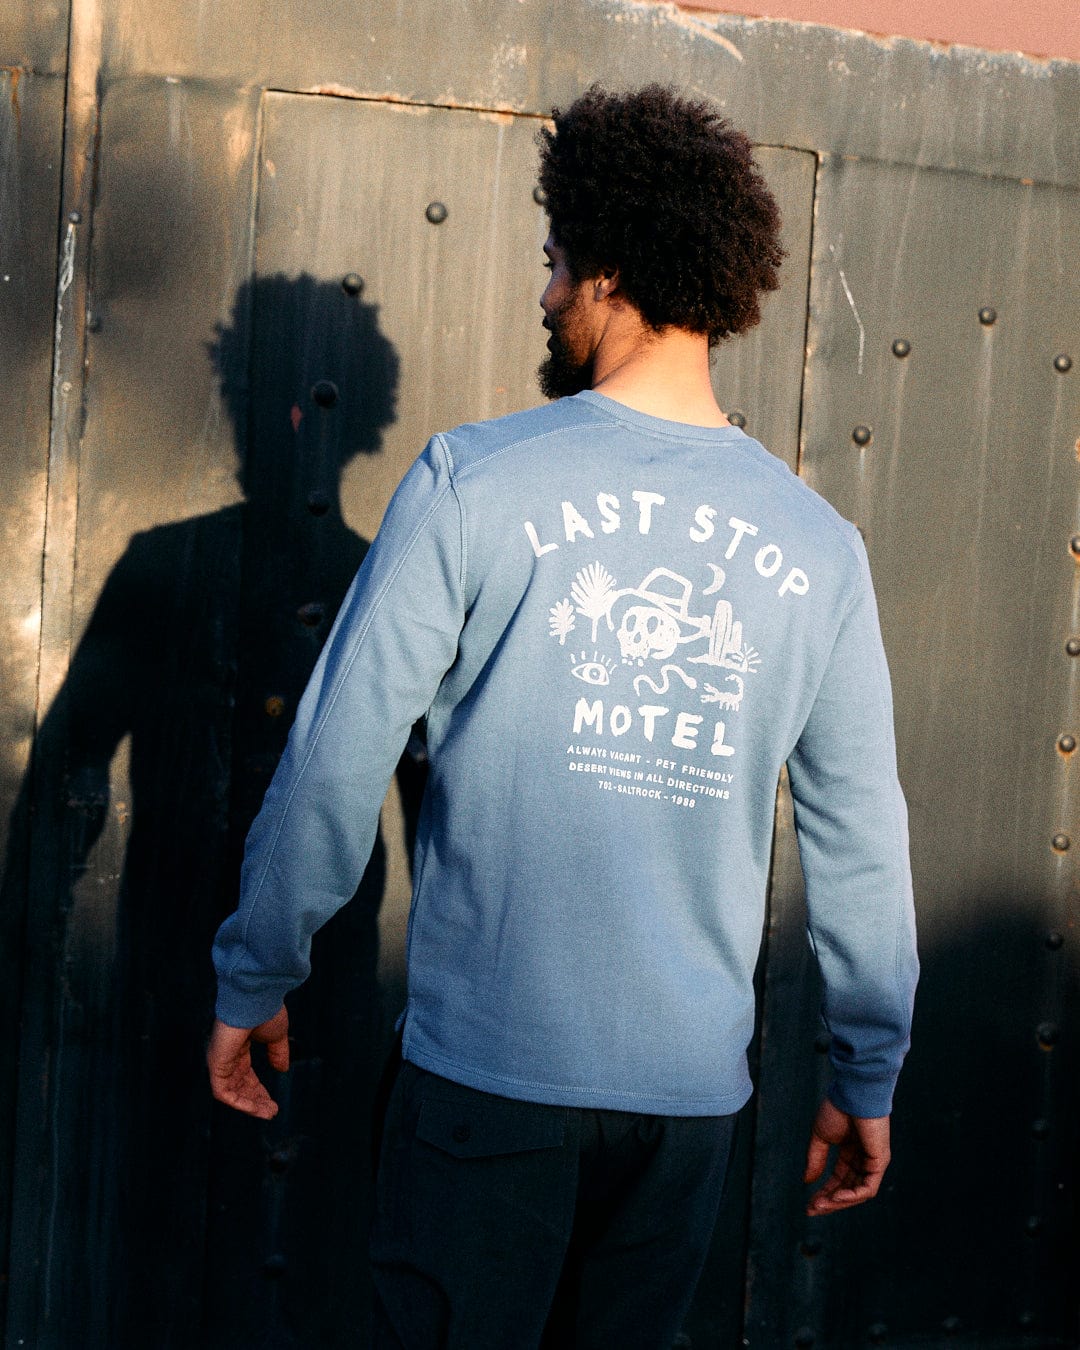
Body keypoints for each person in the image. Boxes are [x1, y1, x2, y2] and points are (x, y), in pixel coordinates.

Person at [208, 84, 919, 1348]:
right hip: (688, 1112)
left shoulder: (473, 482)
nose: (545, 296)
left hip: (487, 1083)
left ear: (612, 268)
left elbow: (334, 763)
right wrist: (867, 1070)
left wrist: (257, 969)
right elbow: (860, 838)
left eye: (553, 263)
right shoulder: (821, 549)